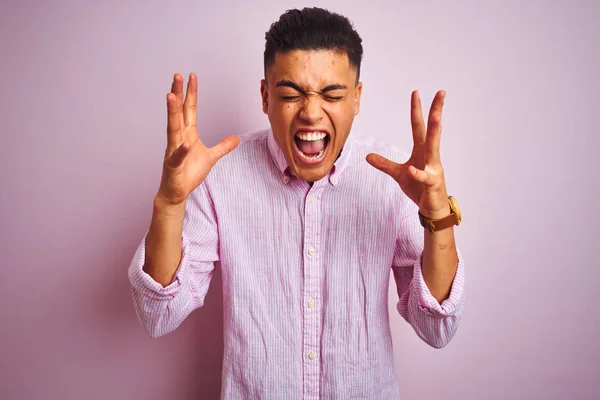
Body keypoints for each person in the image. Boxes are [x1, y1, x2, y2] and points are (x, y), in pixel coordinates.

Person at [128, 7, 465, 399]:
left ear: (356, 98)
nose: (310, 112)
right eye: (290, 94)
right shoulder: (219, 175)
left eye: (332, 94)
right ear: (265, 96)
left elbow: (437, 327)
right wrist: (170, 204)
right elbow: (157, 315)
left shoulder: (393, 181)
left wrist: (437, 215)